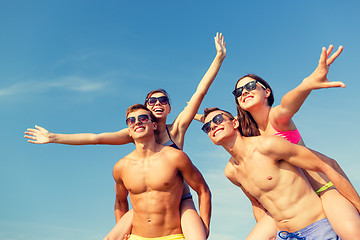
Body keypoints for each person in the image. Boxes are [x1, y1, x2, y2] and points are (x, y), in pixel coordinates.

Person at [24, 33, 226, 239]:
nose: (157, 103)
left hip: (180, 198)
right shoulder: (136, 133)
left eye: (162, 100)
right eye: (151, 101)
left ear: (169, 108)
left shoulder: (177, 129)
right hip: (145, 205)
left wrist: (218, 58)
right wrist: (54, 137)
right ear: (145, 110)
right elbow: (96, 138)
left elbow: (200, 92)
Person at [231, 45, 360, 239]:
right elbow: (222, 125)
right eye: (238, 91)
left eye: (250, 86)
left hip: (323, 191)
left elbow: (287, 105)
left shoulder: (277, 118)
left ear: (266, 92)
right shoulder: (249, 136)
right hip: (290, 211)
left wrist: (306, 84)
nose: (244, 92)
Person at [201, 107, 360, 239]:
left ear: (235, 123)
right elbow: (257, 204)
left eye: (217, 120)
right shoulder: (231, 172)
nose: (213, 126)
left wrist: (357, 206)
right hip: (285, 235)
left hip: (317, 229)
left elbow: (326, 164)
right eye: (207, 127)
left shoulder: (267, 146)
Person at [114, 104, 211, 240]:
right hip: (137, 236)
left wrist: (205, 226)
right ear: (129, 130)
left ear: (153, 125)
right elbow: (120, 202)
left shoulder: (175, 157)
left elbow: (203, 190)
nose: (137, 122)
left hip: (173, 236)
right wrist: (122, 229)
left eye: (142, 118)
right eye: (131, 120)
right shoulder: (120, 167)